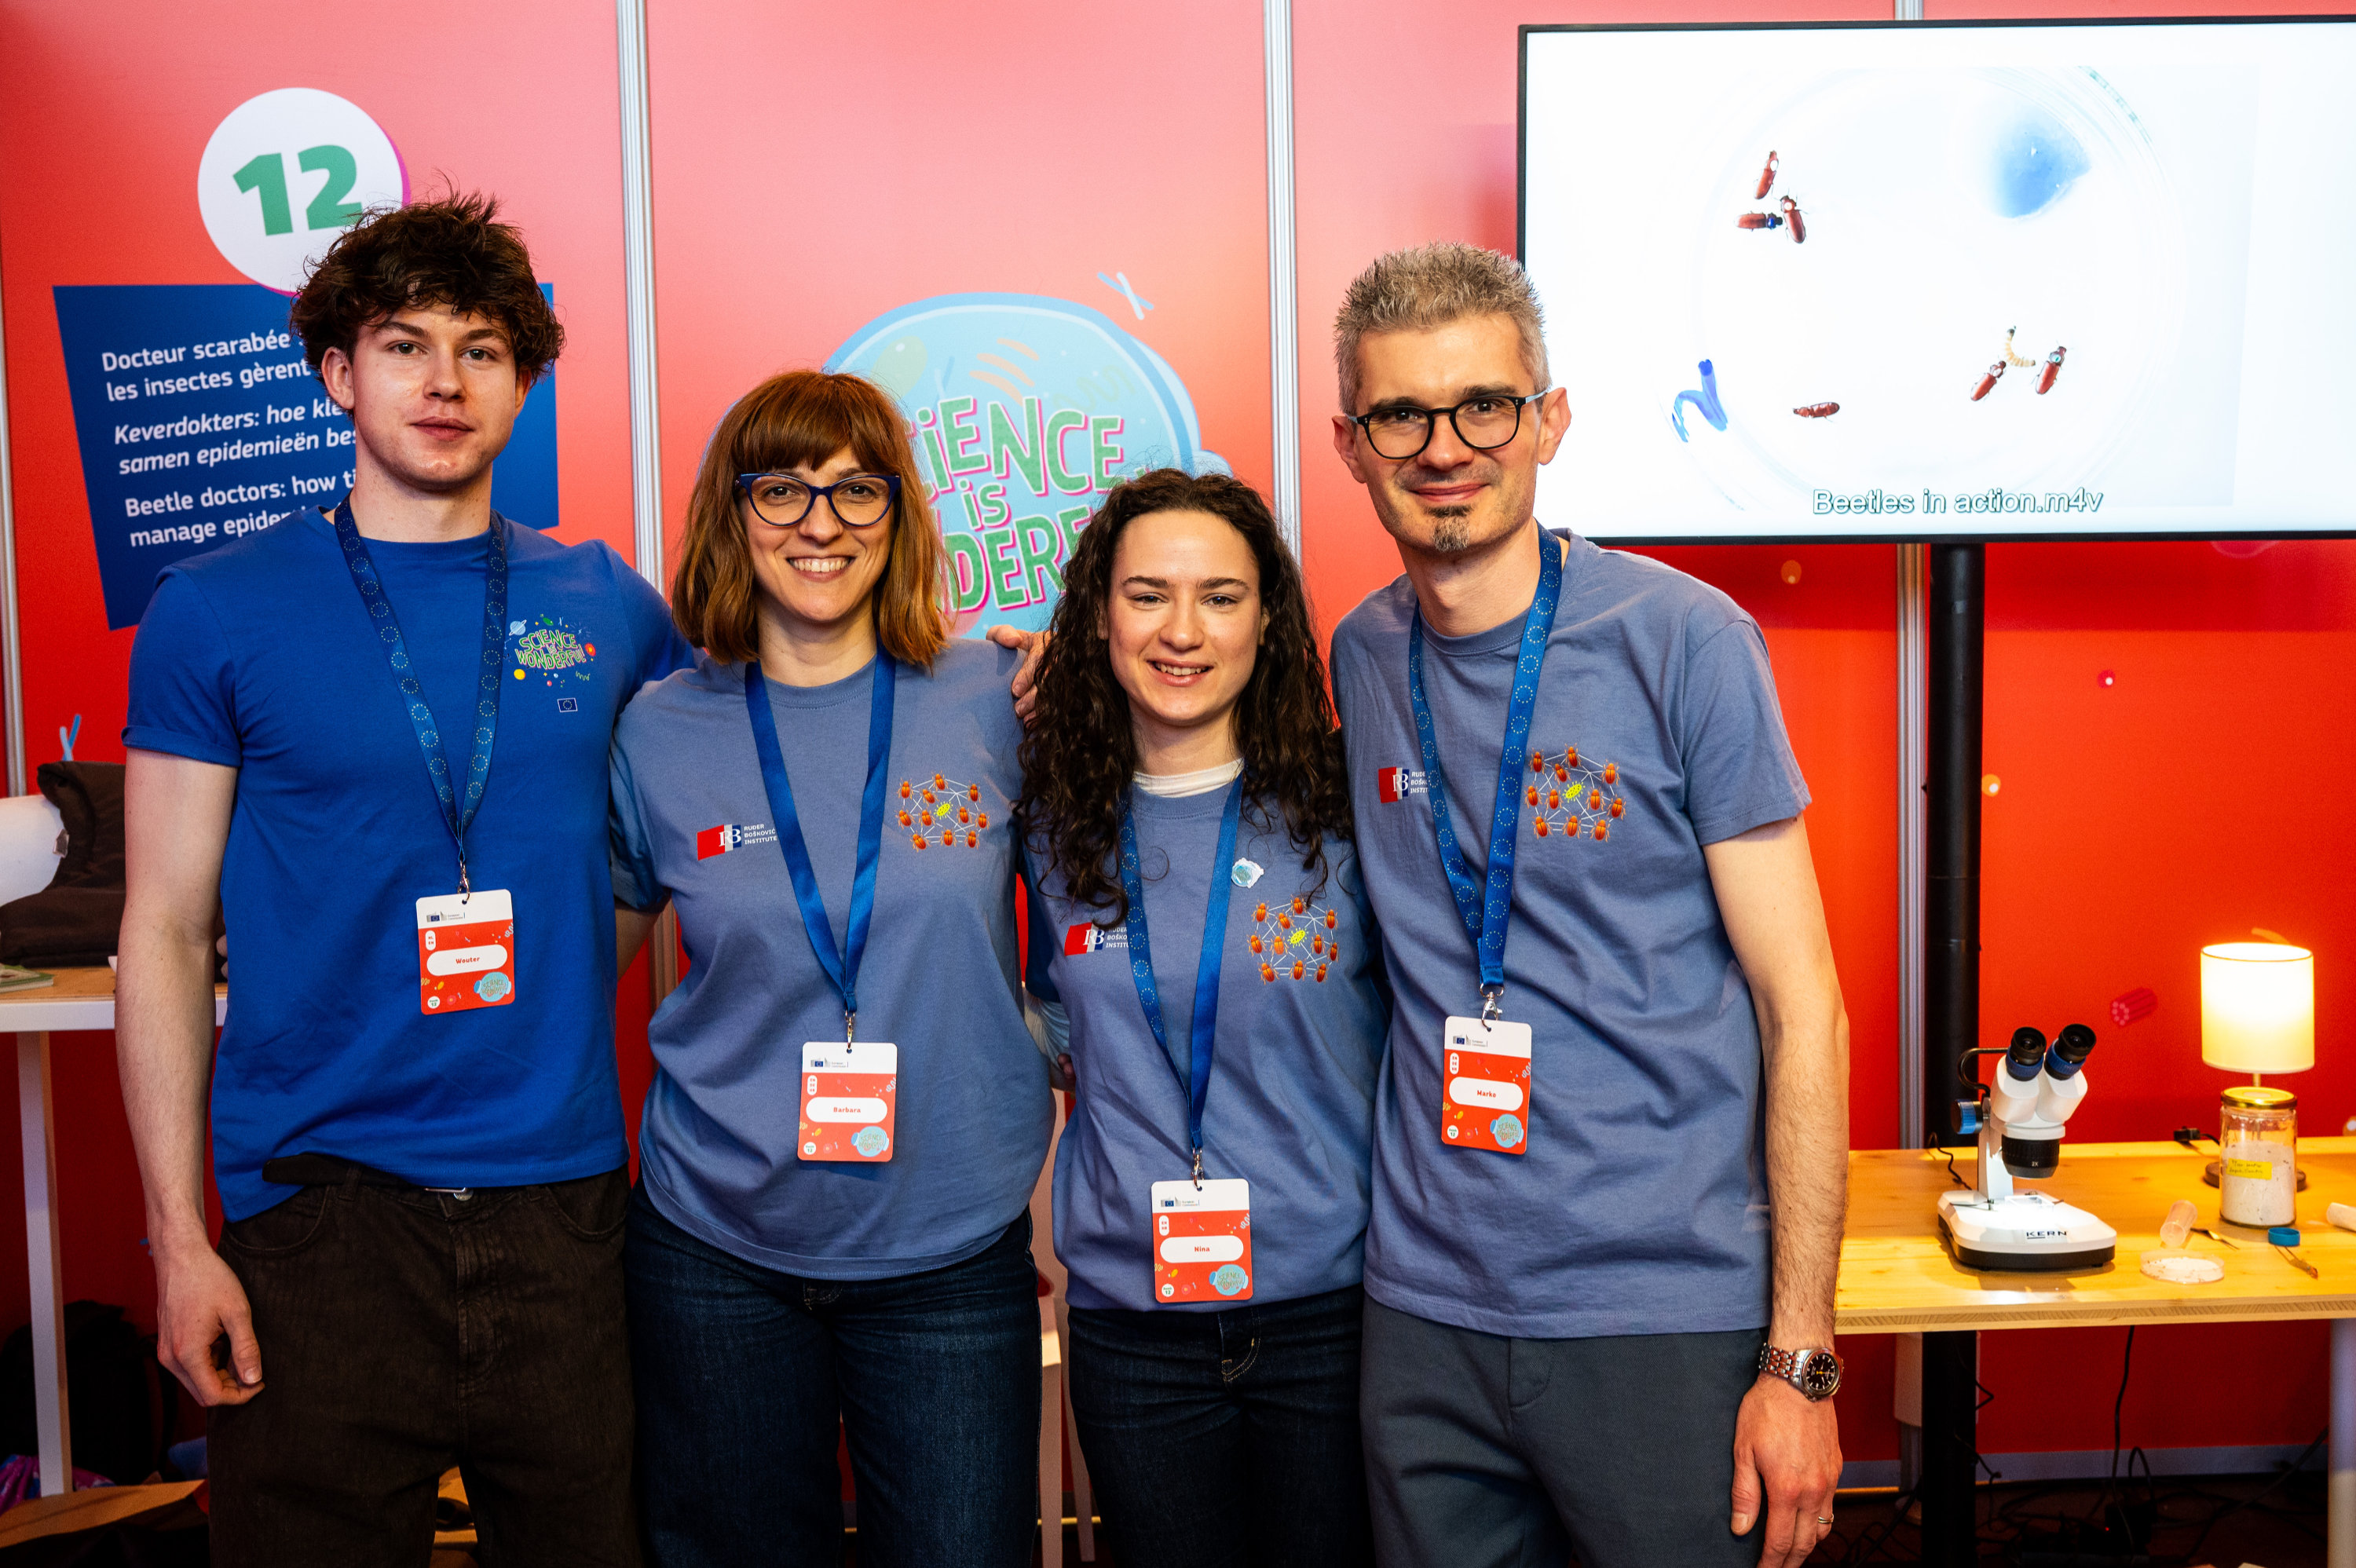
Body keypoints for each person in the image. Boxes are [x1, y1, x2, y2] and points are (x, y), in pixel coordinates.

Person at [117, 193, 693, 1564]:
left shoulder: (610, 602)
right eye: (403, 343)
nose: (444, 380)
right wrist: (178, 1242)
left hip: (561, 1212)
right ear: (339, 373)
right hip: (319, 1215)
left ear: (523, 382)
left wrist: (987, 671)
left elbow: (749, 757)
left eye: (483, 348)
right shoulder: (215, 609)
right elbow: (162, 924)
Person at [1323, 242, 1850, 1568]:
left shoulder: (1689, 640)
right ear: (1352, 444)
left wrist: (1800, 1359)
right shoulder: (1362, 652)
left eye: (1484, 404)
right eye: (1401, 414)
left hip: (1658, 1313)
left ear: (1549, 418)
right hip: (1426, 1310)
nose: (1444, 446)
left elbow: (1806, 1008)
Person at [609, 369, 1049, 1567]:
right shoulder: (656, 728)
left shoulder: (1001, 697)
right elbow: (578, 962)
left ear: (898, 514)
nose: (821, 521)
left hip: (947, 1250)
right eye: (784, 488)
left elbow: (1096, 938)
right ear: (731, 511)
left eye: (857, 490)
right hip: (717, 1250)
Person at [1017, 470, 1387, 1568]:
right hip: (1135, 1328)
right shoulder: (1048, 811)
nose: (1184, 630)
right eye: (1148, 595)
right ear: (1099, 614)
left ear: (1267, 619)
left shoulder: (1344, 803)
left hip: (1333, 1312)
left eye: (1221, 596)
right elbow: (1032, 1006)